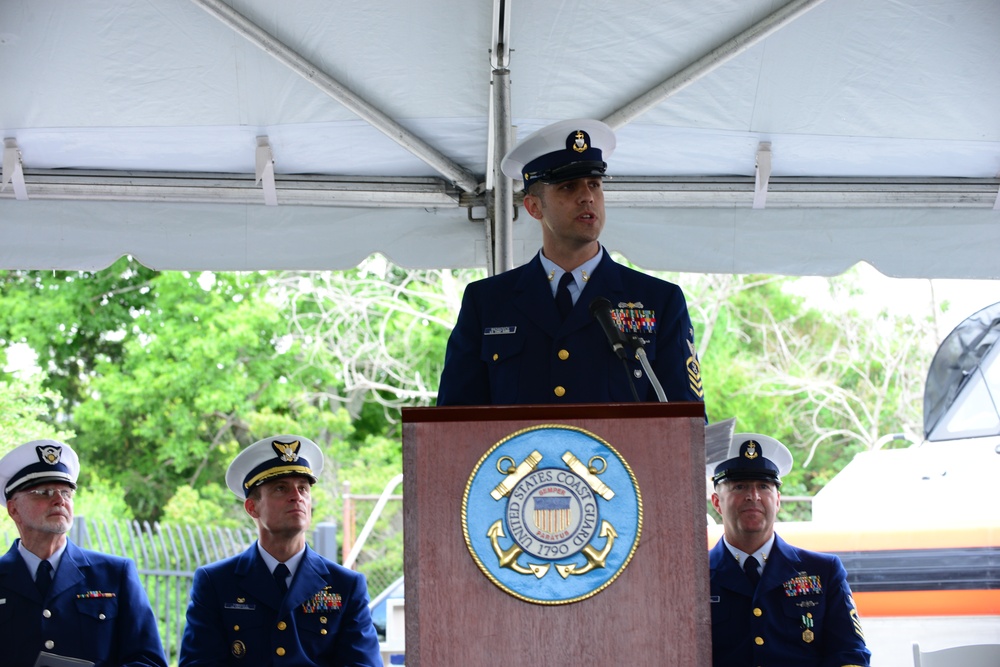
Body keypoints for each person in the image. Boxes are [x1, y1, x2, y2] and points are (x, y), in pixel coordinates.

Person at [436, 118, 704, 406]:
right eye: (568, 187)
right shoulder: (487, 302)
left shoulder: (659, 301)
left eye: (594, 184)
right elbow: (453, 419)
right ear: (534, 206)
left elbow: (686, 424)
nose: (587, 197)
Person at [179, 434, 381, 666]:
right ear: (252, 507)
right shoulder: (216, 583)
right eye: (280, 489)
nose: (296, 497)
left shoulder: (345, 586)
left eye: (303, 489)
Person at [0, 439, 168, 667]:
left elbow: (149, 661)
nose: (59, 500)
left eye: (66, 493)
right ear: (13, 508)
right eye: (44, 492)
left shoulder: (115, 574)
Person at [708, 433, 871, 666]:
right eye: (739, 486)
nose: (752, 496)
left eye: (764, 486)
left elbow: (850, 654)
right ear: (716, 502)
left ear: (777, 500)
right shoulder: (694, 578)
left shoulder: (824, 572)